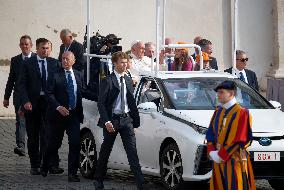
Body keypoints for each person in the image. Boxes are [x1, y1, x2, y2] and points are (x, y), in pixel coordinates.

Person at [93, 52, 150, 190]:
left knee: (132, 152)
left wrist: (134, 122)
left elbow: (131, 101)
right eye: (122, 62)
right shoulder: (108, 80)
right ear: (115, 63)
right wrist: (106, 122)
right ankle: (98, 180)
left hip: (126, 120)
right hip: (112, 121)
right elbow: (101, 103)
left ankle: (141, 184)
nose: (125, 65)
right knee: (105, 151)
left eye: (126, 62)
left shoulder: (128, 80)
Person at [41, 51, 91, 182]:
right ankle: (45, 164)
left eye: (67, 59)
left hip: (73, 116)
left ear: (73, 61)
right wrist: (58, 107)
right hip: (57, 116)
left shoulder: (79, 74)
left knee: (74, 144)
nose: (64, 61)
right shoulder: (55, 74)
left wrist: (103, 97)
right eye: (62, 59)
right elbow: (49, 93)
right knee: (54, 144)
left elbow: (84, 91)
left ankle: (72, 174)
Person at [18, 38, 61, 175]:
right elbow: (21, 84)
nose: (45, 50)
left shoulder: (55, 63)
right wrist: (25, 101)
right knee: (33, 135)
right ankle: (34, 165)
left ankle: (48, 163)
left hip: (49, 103)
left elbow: (59, 84)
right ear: (36, 49)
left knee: (48, 134)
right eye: (43, 48)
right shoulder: (28, 63)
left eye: (48, 48)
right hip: (32, 103)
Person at [206, 80, 256, 190]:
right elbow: (210, 133)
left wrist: (221, 155)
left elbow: (241, 139)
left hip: (235, 158)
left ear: (232, 93)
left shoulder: (242, 113)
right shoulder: (218, 111)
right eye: (218, 92)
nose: (218, 95)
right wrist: (211, 150)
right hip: (218, 158)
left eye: (221, 92)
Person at [3, 35, 36, 156]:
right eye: (22, 44)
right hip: (19, 97)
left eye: (26, 44)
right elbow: (11, 80)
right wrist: (6, 97)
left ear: (31, 45)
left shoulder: (37, 58)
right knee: (20, 120)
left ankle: (34, 146)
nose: (24, 46)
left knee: (33, 122)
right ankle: (21, 146)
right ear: (20, 46)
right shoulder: (15, 60)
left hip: (33, 98)